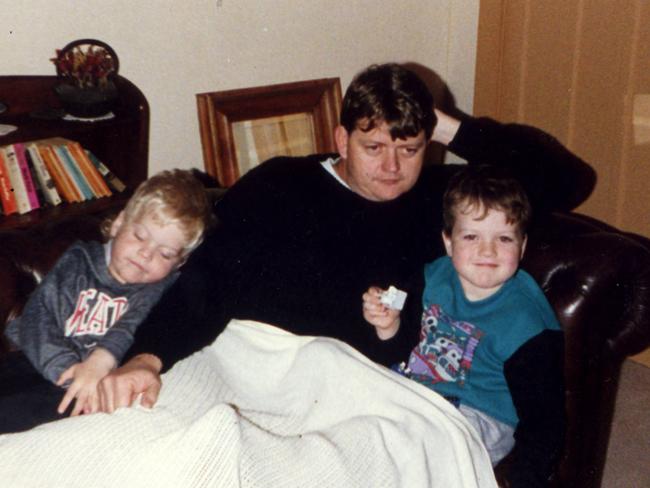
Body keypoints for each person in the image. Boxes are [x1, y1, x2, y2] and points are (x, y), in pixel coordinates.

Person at [96, 63, 590, 421]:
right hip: (248, 365)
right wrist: (148, 356)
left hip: (354, 389)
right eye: (373, 147)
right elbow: (207, 281)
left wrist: (445, 125)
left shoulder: (441, 201)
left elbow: (568, 181)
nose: (392, 168)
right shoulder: (280, 184)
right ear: (341, 138)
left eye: (410, 148)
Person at [362, 165, 564, 487]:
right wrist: (388, 325)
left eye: (504, 238)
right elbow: (394, 346)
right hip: (410, 389)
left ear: (522, 246)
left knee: (416, 456)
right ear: (448, 242)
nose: (487, 251)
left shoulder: (527, 325)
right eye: (471, 236)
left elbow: (543, 423)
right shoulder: (432, 276)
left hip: (475, 415)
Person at [0, 169, 212, 433]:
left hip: (91, 385)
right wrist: (68, 370)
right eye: (140, 236)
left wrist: (96, 368)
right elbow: (38, 316)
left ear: (179, 262)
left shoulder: (159, 288)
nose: (146, 254)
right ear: (119, 223)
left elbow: (130, 327)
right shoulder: (79, 261)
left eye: (165, 253)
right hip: (36, 358)